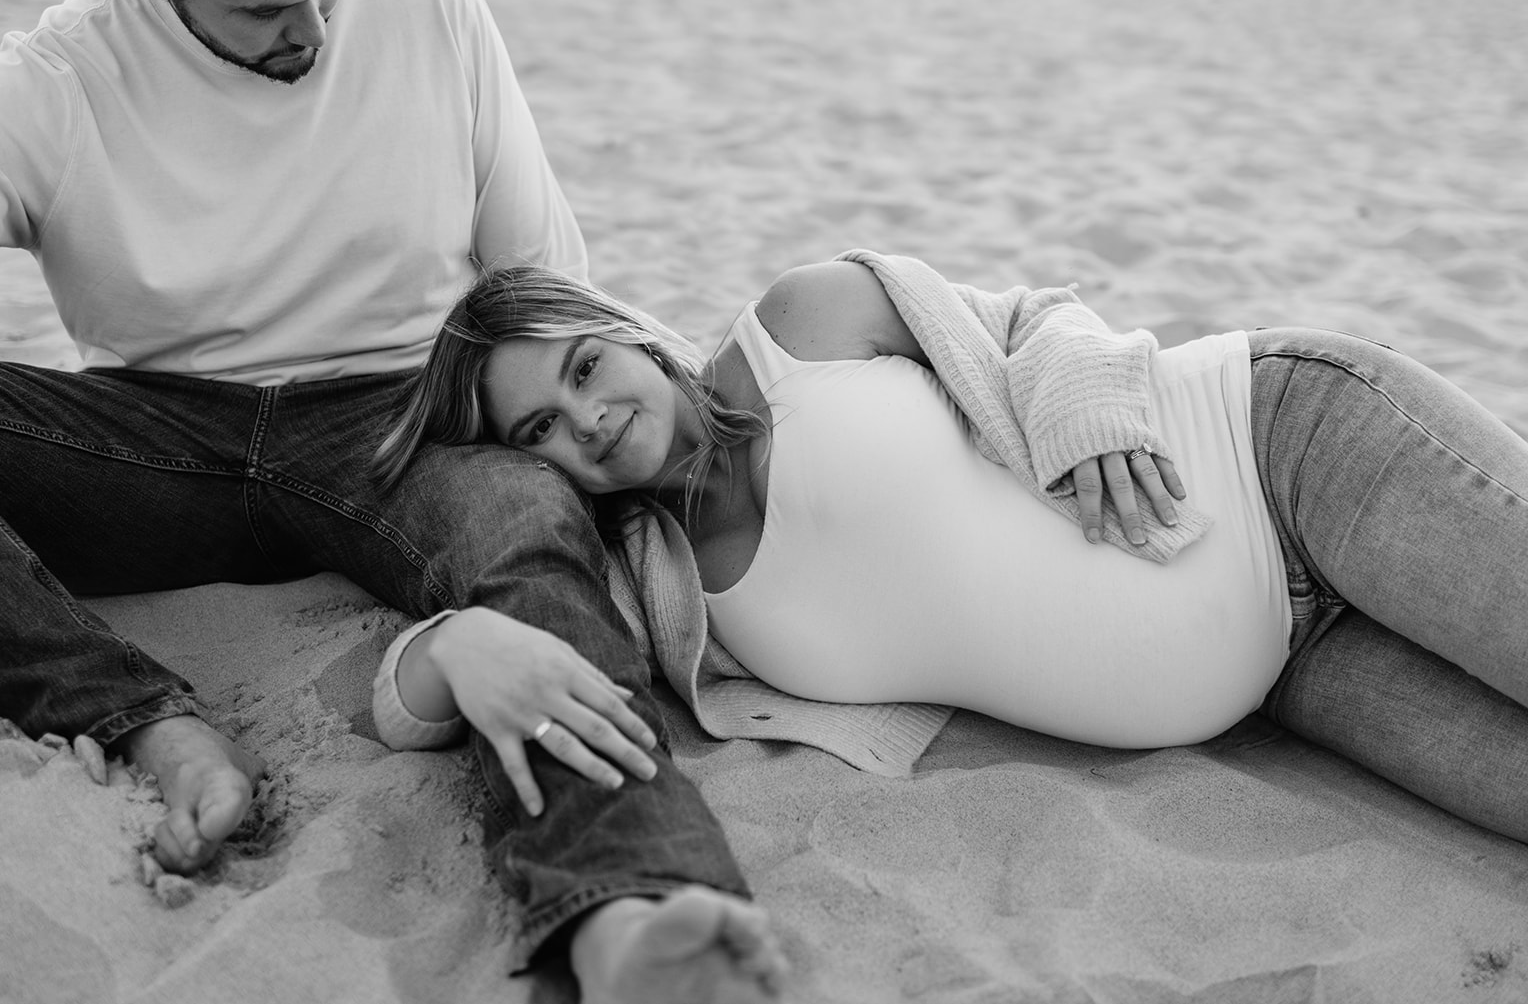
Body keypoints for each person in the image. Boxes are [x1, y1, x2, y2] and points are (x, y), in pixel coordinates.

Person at [0, 0, 788, 999]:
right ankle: (145, 720)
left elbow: (542, 287)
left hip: (405, 425)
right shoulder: (50, 85)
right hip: (153, 441)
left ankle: (626, 910)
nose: (317, 29)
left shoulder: (433, 3)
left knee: (529, 542)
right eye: (263, 13)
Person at [372, 251, 1528, 845]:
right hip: (1289, 669)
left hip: (1284, 450)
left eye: (585, 368)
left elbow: (1035, 316)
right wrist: (464, 637)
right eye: (540, 431)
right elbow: (405, 707)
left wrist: (1086, 417)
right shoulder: (663, 595)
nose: (588, 419)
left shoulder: (796, 329)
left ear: (627, 336)